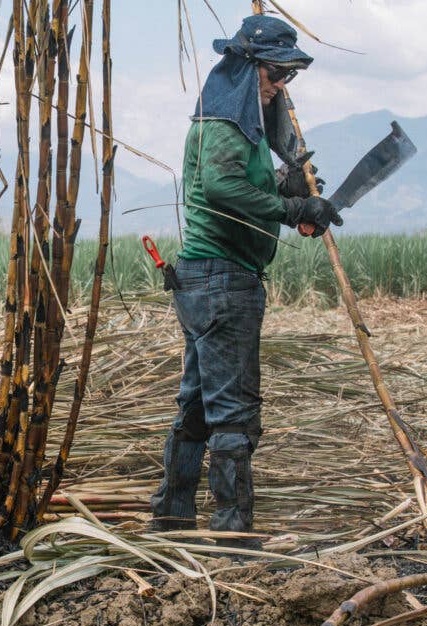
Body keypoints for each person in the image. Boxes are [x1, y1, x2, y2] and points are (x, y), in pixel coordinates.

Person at [149, 15, 343, 548]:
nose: (280, 85)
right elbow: (220, 186)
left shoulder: (243, 124)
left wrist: (294, 189)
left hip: (208, 282)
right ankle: (232, 538)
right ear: (246, 67)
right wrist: (289, 207)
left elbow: (246, 184)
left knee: (197, 405)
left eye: (287, 76)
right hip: (221, 282)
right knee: (233, 414)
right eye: (275, 73)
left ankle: (171, 523)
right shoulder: (226, 122)